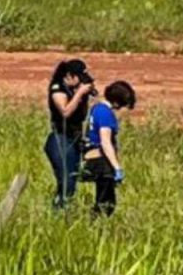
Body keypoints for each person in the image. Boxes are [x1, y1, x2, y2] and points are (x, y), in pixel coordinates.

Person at [81, 81, 136, 216]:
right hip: (102, 161)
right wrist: (116, 167)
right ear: (117, 102)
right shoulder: (106, 114)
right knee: (106, 204)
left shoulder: (97, 108)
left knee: (104, 201)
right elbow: (105, 142)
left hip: (93, 157)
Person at [44, 59, 95, 208]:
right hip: (60, 138)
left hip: (74, 138)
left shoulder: (75, 90)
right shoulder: (57, 88)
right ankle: (58, 210)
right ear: (69, 76)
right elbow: (65, 112)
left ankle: (64, 209)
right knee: (66, 181)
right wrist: (79, 93)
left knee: (73, 179)